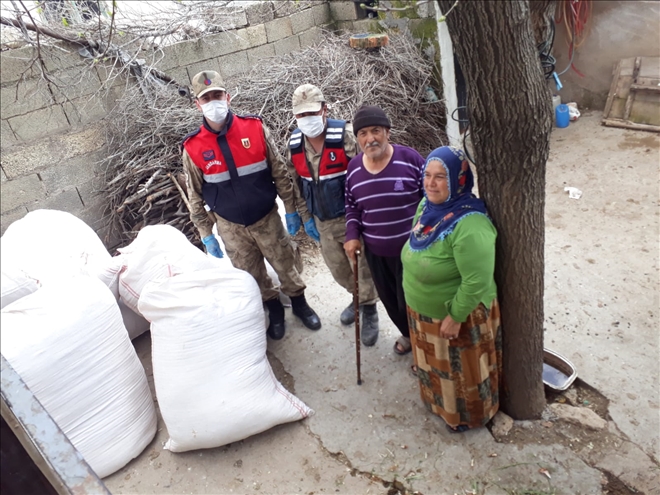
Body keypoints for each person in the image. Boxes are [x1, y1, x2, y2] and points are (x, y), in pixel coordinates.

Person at [181, 70, 321, 341]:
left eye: (217, 95)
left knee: (284, 262)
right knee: (251, 274)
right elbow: (195, 194)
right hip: (230, 225)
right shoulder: (193, 147)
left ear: (228, 96)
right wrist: (206, 234)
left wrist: (291, 209)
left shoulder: (254, 128)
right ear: (197, 104)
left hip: (266, 217)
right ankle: (275, 311)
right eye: (206, 98)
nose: (213, 102)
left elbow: (280, 171)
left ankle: (301, 304)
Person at [401, 146, 502, 432]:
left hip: (458, 317)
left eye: (441, 177)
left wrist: (456, 316)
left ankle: (466, 418)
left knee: (460, 374)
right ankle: (437, 404)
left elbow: (477, 281)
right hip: (423, 313)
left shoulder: (471, 224)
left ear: (458, 180)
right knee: (436, 370)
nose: (431, 184)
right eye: (427, 175)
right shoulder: (427, 207)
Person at [285, 84, 380, 345]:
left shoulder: (347, 136)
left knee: (362, 267)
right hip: (322, 221)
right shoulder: (294, 144)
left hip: (351, 219)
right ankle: (356, 297)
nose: (308, 120)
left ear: (324, 109)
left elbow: (369, 174)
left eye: (312, 113)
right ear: (295, 116)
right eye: (302, 115)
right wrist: (303, 216)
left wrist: (367, 217)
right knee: (339, 270)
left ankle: (369, 308)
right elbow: (296, 184)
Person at [343, 105, 425, 353]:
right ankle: (409, 337)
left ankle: (424, 347)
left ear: (387, 132)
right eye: (363, 133)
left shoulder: (410, 159)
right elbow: (352, 207)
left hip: (412, 252)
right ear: (357, 139)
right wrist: (351, 236)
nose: (370, 139)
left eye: (376, 131)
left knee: (412, 302)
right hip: (377, 253)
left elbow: (431, 198)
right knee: (391, 302)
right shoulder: (354, 169)